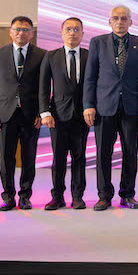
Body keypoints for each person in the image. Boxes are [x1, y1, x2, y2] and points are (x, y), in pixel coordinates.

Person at [83, 5, 138, 211]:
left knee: (130, 152)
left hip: (131, 107)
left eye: (124, 18)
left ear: (131, 22)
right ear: (109, 21)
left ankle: (127, 194)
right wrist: (88, 105)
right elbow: (90, 77)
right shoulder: (97, 42)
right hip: (104, 107)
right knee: (103, 153)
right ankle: (104, 196)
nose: (120, 22)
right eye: (116, 18)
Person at [0, 16, 46, 211]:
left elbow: (44, 87)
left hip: (31, 115)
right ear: (11, 32)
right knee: (6, 158)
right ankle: (8, 196)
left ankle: (25, 196)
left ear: (32, 33)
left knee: (29, 157)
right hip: (5, 114)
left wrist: (41, 112)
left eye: (26, 29)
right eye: (18, 29)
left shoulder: (41, 54)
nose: (21, 33)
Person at [38, 17, 89, 210]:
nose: (72, 33)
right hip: (57, 116)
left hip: (82, 116)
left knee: (79, 157)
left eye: (76, 29)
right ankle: (57, 196)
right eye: (68, 29)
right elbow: (43, 87)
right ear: (61, 33)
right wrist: (45, 112)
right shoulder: (51, 56)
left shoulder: (89, 56)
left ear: (82, 34)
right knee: (58, 158)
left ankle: (77, 196)